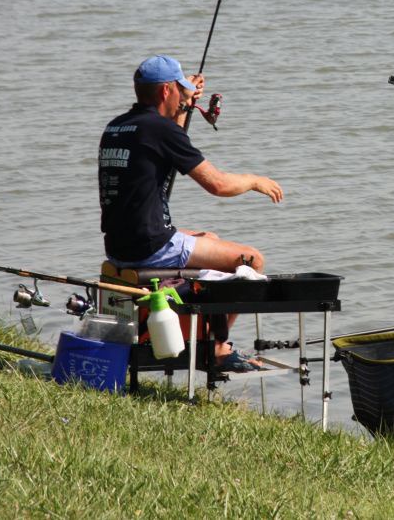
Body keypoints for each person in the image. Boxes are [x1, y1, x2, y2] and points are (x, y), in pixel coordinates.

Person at [99, 54, 283, 371]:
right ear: (166, 90)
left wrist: (184, 107)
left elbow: (170, 144)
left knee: (208, 238)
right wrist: (254, 180)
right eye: (181, 89)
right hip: (150, 248)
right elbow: (219, 185)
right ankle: (218, 348)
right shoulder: (160, 130)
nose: (185, 95)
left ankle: (201, 333)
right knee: (251, 260)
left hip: (119, 245)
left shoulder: (117, 127)